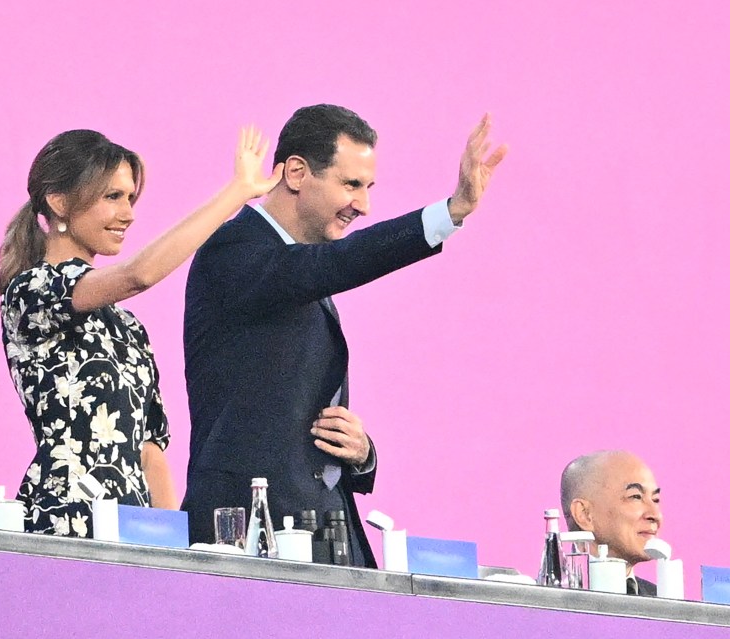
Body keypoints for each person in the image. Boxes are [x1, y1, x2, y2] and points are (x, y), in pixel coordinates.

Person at [182, 104, 507, 566]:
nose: (364, 205)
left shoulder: (300, 265)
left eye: (369, 187)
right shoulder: (235, 250)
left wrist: (361, 453)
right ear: (296, 172)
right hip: (251, 535)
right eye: (351, 184)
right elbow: (340, 264)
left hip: (329, 535)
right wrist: (450, 212)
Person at [0, 127, 283, 536]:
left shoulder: (128, 327)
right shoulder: (31, 293)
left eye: (130, 197)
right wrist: (236, 194)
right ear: (59, 202)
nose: (128, 213)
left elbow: (150, 453)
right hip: (64, 524)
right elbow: (138, 275)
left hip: (133, 532)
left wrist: (170, 545)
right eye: (112, 197)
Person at [560, 450, 663, 596]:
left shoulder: (664, 603)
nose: (655, 515)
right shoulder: (539, 607)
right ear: (584, 514)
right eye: (635, 497)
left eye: (656, 500)